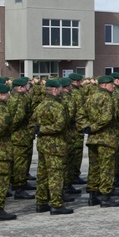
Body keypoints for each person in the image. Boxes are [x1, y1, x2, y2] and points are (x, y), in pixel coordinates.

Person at [31, 79, 74, 215]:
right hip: (55, 145)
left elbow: (32, 123)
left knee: (42, 174)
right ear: (55, 90)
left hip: (43, 145)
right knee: (55, 175)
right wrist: (44, 129)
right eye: (60, 88)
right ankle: (56, 204)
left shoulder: (41, 105)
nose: (61, 90)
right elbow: (60, 125)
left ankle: (41, 202)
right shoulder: (57, 106)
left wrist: (40, 129)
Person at [82, 75, 119, 208]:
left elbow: (81, 115)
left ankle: (93, 195)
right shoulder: (108, 98)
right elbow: (107, 118)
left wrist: (87, 127)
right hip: (106, 138)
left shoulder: (91, 97)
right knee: (107, 168)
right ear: (104, 85)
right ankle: (105, 196)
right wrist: (93, 127)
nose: (113, 86)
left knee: (94, 168)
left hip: (93, 138)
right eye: (111, 84)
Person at [0, 83, 16, 220]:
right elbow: (0, 130)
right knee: (0, 181)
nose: (9, 96)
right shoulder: (3, 109)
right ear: (1, 95)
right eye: (7, 94)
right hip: (0, 151)